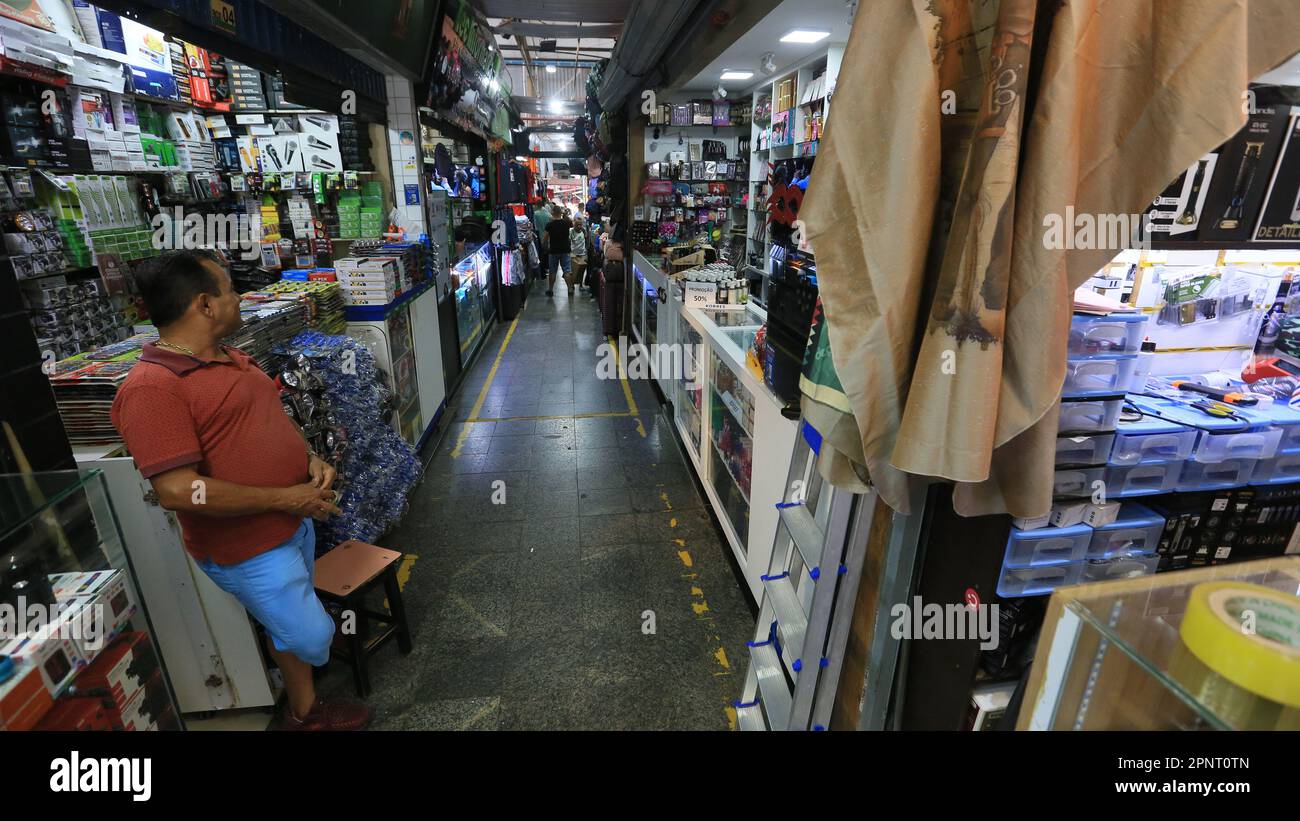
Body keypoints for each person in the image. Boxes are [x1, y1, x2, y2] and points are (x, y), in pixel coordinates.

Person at [109, 250, 368, 732]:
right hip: (248, 547)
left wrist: (306, 459)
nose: (239, 298)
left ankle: (303, 711)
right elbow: (180, 492)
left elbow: (264, 420)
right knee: (312, 636)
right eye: (230, 290)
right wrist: (281, 498)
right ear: (205, 305)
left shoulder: (229, 357)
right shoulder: (152, 389)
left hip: (291, 524)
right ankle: (305, 671)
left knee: (289, 626)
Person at [542, 205, 573, 298]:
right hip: (565, 250)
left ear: (552, 213)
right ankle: (570, 288)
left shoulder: (550, 224)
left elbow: (545, 238)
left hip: (554, 250)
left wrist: (544, 246)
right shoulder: (566, 223)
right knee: (567, 270)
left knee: (552, 271)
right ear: (560, 213)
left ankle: (550, 289)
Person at [569, 215, 589, 297]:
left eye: (580, 225)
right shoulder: (571, 231)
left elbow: (587, 240)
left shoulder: (583, 230)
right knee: (573, 270)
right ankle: (572, 284)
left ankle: (581, 285)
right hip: (574, 254)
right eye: (577, 225)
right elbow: (568, 241)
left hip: (582, 253)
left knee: (581, 270)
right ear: (574, 225)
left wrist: (586, 249)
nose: (579, 226)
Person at [533, 203, 552, 279]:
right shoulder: (548, 214)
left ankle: (542, 271)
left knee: (541, 255)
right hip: (547, 237)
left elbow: (534, 226)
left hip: (539, 237)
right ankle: (547, 269)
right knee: (546, 254)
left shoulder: (535, 214)